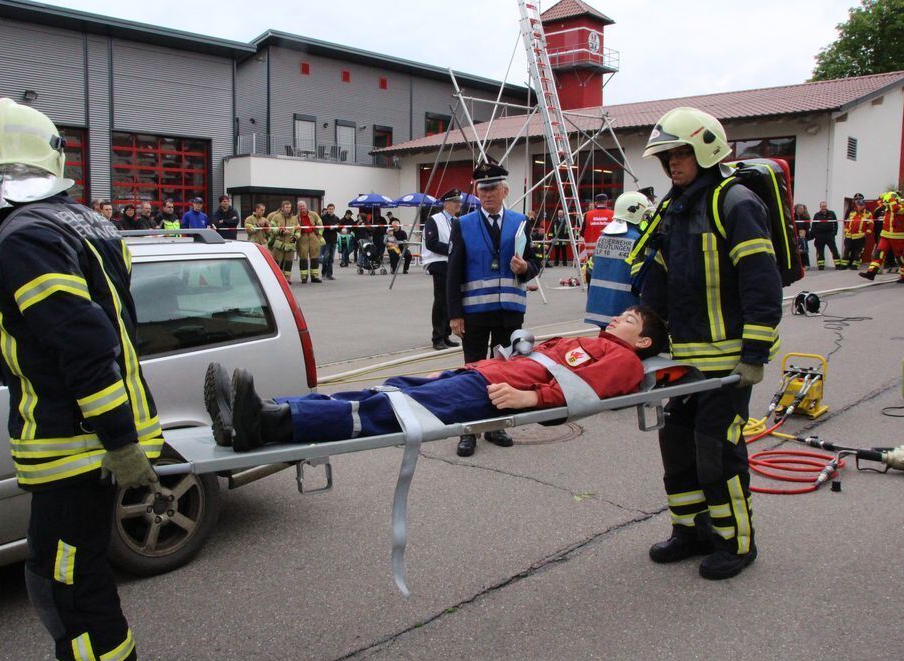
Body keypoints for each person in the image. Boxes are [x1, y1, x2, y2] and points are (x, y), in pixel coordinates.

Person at [0, 98, 159, 661]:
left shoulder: (23, 236)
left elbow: (84, 346)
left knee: (68, 589)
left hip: (76, 446)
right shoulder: (83, 221)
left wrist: (118, 443)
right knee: (72, 578)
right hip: (94, 438)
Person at [639, 106, 782, 580]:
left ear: (705, 149)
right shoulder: (673, 207)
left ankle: (736, 542)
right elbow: (657, 279)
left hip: (728, 361)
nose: (672, 164)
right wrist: (644, 340)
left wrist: (754, 356)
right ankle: (691, 530)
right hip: (684, 361)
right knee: (675, 442)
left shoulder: (735, 202)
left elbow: (761, 283)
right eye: (666, 158)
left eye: (679, 154)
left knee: (716, 447)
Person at [209, 306, 666, 451]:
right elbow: (530, 359)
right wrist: (457, 369)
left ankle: (268, 424)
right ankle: (263, 412)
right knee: (386, 392)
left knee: (385, 414)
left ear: (643, 343)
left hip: (495, 392)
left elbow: (580, 391)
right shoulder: (595, 341)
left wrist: (529, 402)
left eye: (630, 320)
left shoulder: (622, 359)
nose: (619, 319)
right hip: (480, 374)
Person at [447, 160, 540, 457]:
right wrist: (454, 315)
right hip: (474, 313)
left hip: (509, 312)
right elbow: (453, 273)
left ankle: (495, 424)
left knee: (503, 370)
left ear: (504, 190)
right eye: (482, 190)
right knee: (473, 371)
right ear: (476, 192)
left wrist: (526, 267)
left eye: (493, 189)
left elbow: (536, 263)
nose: (487, 195)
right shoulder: (463, 224)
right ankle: (470, 430)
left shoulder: (520, 222)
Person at [584, 191, 651, 327]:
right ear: (635, 214)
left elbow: (590, 271)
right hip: (626, 313)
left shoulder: (602, 238)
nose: (646, 219)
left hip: (600, 310)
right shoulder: (637, 241)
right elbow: (642, 281)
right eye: (645, 216)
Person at [423, 189, 462, 350]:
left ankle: (445, 335)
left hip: (451, 263)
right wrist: (453, 250)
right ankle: (437, 337)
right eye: (455, 202)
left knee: (450, 300)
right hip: (438, 263)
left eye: (459, 201)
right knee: (441, 300)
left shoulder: (456, 221)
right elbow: (431, 243)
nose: (458, 204)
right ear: (446, 204)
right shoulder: (434, 220)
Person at [860, 191, 904, 283]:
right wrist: (886, 198)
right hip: (885, 235)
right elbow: (886, 205)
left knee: (900, 257)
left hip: (897, 237)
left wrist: (891, 199)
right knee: (879, 253)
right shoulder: (888, 208)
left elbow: (895, 209)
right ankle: (871, 273)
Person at [293, 199, 323, 283]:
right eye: (300, 206)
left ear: (306, 206)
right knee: (303, 257)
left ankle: (315, 277)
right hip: (302, 237)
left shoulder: (314, 214)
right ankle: (304, 277)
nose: (302, 208)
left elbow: (320, 224)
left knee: (314, 257)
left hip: (313, 236)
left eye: (303, 206)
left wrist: (319, 235)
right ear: (298, 207)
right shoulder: (296, 218)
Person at [268, 200, 299, 283]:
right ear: (282, 208)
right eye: (286, 207)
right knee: (277, 262)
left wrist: (296, 237)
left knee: (289, 262)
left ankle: (287, 279)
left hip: (290, 243)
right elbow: (271, 228)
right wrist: (280, 231)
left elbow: (298, 230)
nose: (288, 209)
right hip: (279, 243)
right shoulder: (276, 217)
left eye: (289, 207)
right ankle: (277, 279)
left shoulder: (294, 218)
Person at [841, 194, 873, 269]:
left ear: (864, 205)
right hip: (849, 236)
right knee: (846, 251)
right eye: (859, 205)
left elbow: (871, 224)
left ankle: (855, 265)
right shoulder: (852, 212)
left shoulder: (868, 214)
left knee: (857, 252)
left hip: (860, 236)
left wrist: (866, 233)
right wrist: (846, 231)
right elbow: (847, 222)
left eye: (861, 205)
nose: (860, 206)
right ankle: (844, 265)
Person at [581, 193, 614, 259]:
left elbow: (582, 232)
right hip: (608, 251)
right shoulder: (613, 214)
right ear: (606, 202)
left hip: (591, 252)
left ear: (596, 203)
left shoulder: (587, 215)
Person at [811, 200, 842, 270]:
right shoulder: (817, 215)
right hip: (820, 236)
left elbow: (835, 224)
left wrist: (834, 233)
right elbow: (813, 225)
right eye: (822, 206)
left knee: (834, 250)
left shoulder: (831, 213)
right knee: (820, 251)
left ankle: (838, 265)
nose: (823, 208)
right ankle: (821, 266)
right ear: (820, 207)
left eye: (825, 206)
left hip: (829, 235)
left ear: (826, 206)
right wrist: (815, 235)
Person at [320, 203, 340, 280]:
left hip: (334, 240)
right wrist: (331, 227)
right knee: (325, 257)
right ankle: (323, 273)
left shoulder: (336, 218)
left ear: (334, 209)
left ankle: (329, 274)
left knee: (331, 258)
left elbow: (338, 229)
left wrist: (339, 229)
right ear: (327, 209)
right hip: (326, 240)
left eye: (332, 209)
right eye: (329, 209)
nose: (331, 210)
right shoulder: (323, 218)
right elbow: (322, 228)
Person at [793, 203, 811, 268]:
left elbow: (808, 225)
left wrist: (804, 232)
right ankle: (798, 264)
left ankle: (806, 264)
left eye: (802, 209)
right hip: (795, 235)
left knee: (804, 250)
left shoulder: (805, 216)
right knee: (796, 250)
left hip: (803, 235)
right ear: (796, 209)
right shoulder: (793, 216)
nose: (801, 210)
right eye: (800, 209)